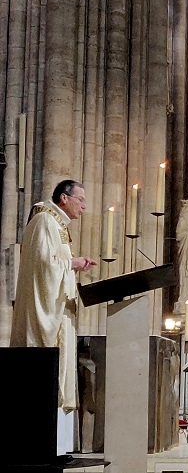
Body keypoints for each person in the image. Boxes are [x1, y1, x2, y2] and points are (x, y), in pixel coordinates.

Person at [10, 179, 97, 455]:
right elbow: (43, 266)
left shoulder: (56, 225)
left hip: (60, 313)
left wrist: (74, 264)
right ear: (63, 198)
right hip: (46, 316)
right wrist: (73, 263)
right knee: (49, 374)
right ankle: (42, 445)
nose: (84, 207)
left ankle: (57, 446)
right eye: (80, 200)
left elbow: (52, 263)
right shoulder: (45, 221)